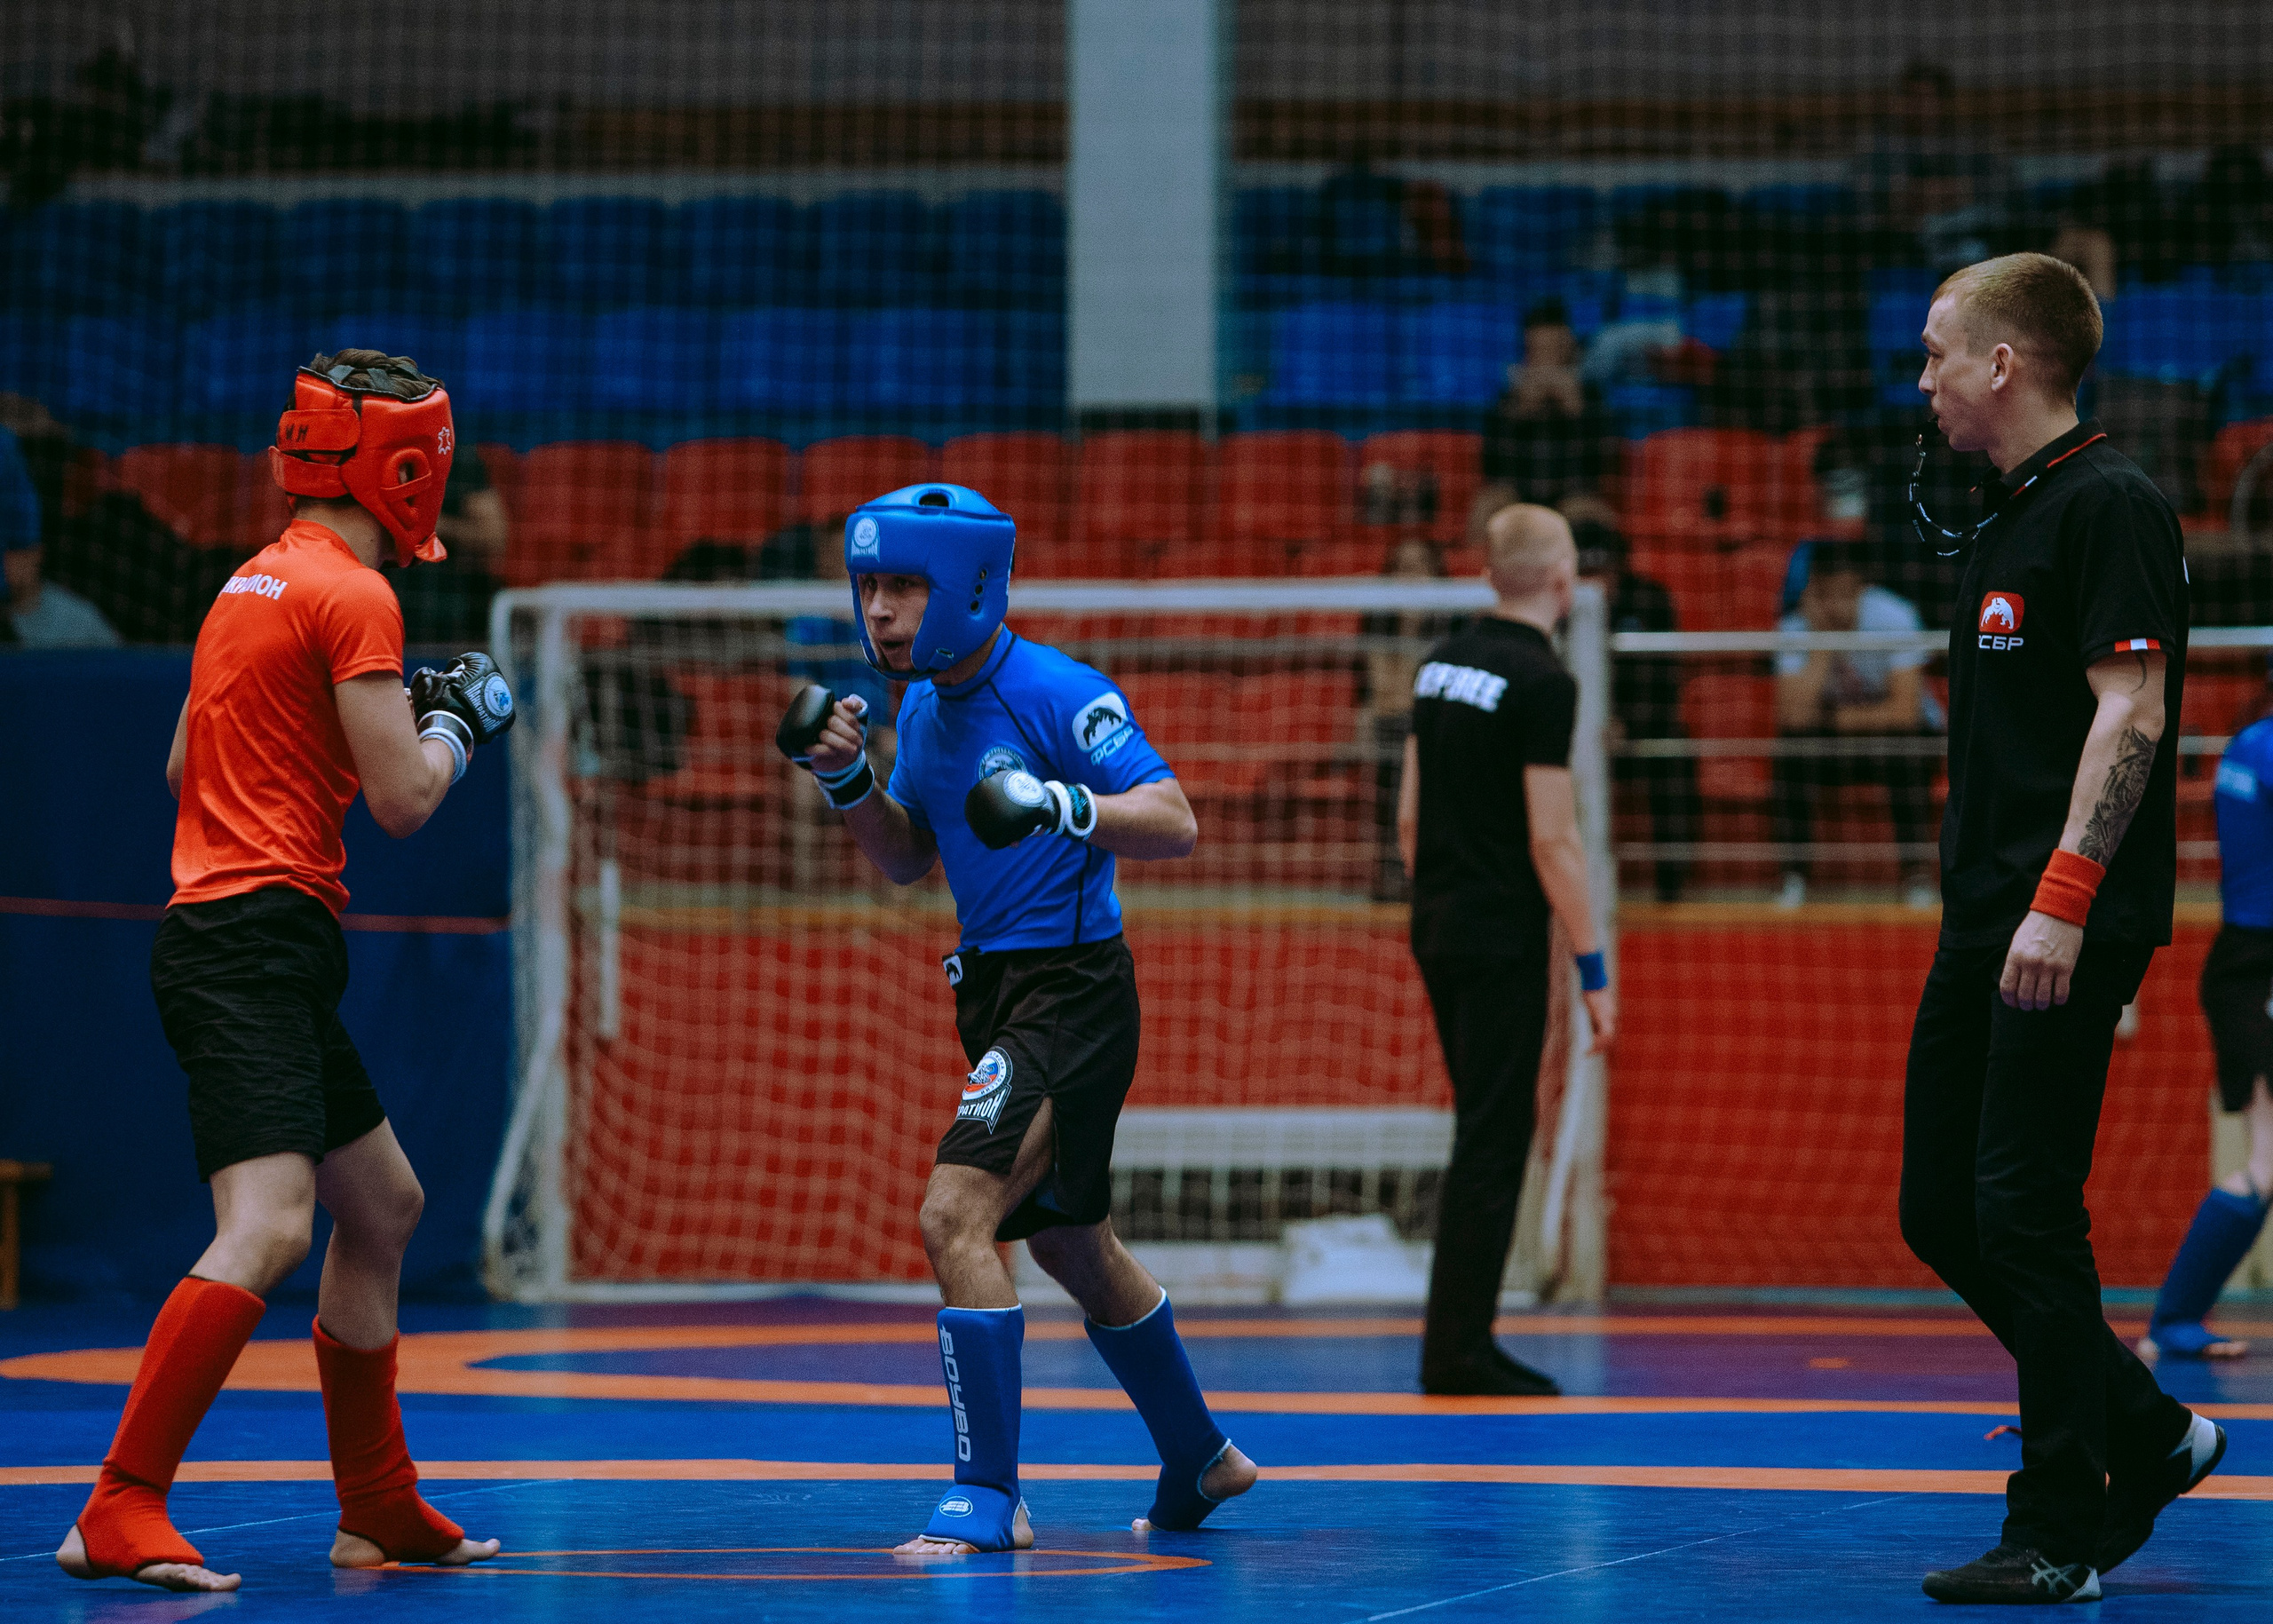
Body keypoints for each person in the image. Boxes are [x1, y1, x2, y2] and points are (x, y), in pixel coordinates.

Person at [54, 351, 509, 1594]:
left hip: (246, 936)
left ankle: (374, 1503)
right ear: (406, 468)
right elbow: (409, 799)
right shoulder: (354, 593)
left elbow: (174, 775)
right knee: (267, 1228)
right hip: (251, 942)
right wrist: (462, 722)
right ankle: (120, 1501)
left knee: (387, 1204)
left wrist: (327, 740)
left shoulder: (246, 584)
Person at [776, 482, 1257, 1556]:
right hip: (995, 989)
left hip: (1071, 991)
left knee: (956, 1213)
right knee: (1076, 1248)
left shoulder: (1058, 692)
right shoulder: (925, 711)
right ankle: (1203, 1455)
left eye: (905, 586)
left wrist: (1062, 802)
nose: (881, 612)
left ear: (971, 586)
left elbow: (1175, 820)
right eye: (869, 588)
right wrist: (846, 777)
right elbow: (910, 858)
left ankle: (988, 1494)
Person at [1898, 255, 2219, 1604]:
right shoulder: (2005, 516)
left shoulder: (2111, 507)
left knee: (2024, 1208)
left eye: (1934, 355)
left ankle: (2059, 1528)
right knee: (1942, 1209)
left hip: (2056, 923)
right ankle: (2151, 1432)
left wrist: (2063, 904)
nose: (1921, 382)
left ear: (2001, 366)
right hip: (1984, 919)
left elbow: (2131, 718)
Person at [1396, 503, 1617, 1396]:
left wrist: (1434, 898)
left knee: (1480, 1127)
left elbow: (1409, 813)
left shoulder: (1439, 664)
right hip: (1496, 929)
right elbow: (1553, 839)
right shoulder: (1541, 678)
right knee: (1495, 1133)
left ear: (1489, 573)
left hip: (1438, 916)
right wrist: (1594, 965)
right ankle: (1456, 1348)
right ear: (1564, 581)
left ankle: (1457, 1338)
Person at [2138, 677, 2273, 1360]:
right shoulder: (2263, 749)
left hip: (2248, 961)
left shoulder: (2249, 745)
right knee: (2266, 1156)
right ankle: (2174, 1319)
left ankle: (2175, 1319)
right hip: (2257, 966)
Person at [1770, 540, 1944, 909]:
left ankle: (1917, 875)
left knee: (1906, 751)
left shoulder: (1894, 616)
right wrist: (1822, 644)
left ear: (1862, 589)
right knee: (1791, 753)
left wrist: (1832, 719)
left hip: (1894, 739)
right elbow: (1793, 718)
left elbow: (1903, 713)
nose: (1836, 606)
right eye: (1826, 595)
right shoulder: (1795, 627)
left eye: (1846, 595)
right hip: (1835, 742)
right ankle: (1794, 877)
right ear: (1811, 590)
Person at [1567, 500, 1697, 904]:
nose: (1594, 584)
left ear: (1620, 567)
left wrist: (1627, 724)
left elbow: (1663, 683)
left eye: (1602, 572)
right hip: (1566, 728)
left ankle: (1671, 886)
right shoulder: (1554, 606)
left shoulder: (1651, 601)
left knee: (1674, 752)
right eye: (1584, 573)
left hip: (1637, 729)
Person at [1481, 298, 1613, 507]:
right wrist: (1519, 414)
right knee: (1489, 503)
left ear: (1569, 349)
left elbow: (1608, 469)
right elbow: (1491, 469)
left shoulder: (1591, 398)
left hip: (1574, 497)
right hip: (1518, 498)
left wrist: (1579, 414)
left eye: (1554, 350)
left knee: (1587, 511)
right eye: (1539, 350)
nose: (1547, 360)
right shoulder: (1508, 400)